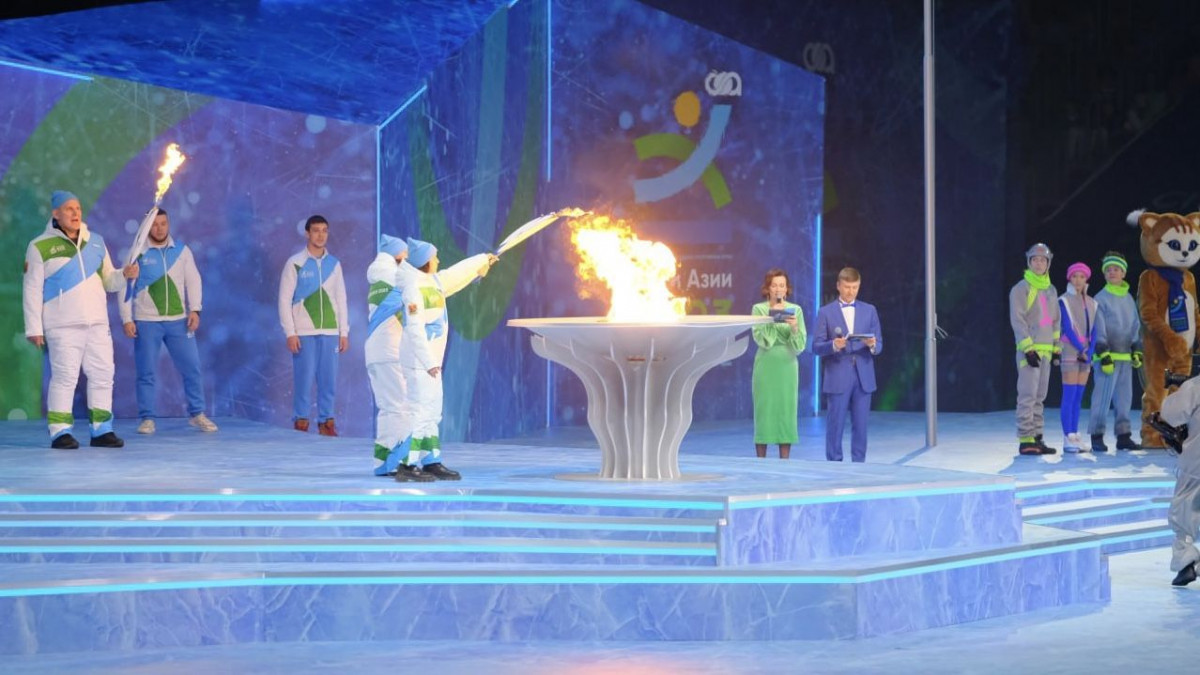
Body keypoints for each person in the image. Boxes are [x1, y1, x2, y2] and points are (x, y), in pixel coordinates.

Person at [22, 190, 134, 449]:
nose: (75, 213)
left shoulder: (96, 242)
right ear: (56, 213)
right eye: (68, 208)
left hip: (97, 322)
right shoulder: (39, 246)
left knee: (103, 374)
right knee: (65, 377)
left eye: (78, 208)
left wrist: (124, 274)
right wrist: (33, 328)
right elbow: (31, 289)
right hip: (62, 324)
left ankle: (102, 430)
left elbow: (110, 281)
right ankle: (60, 432)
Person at [394, 238, 497, 482]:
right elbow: (414, 330)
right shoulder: (413, 289)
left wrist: (482, 261)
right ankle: (407, 464)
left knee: (432, 413)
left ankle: (431, 460)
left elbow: (455, 274)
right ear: (425, 261)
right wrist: (428, 362)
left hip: (432, 362)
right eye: (435, 257)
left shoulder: (433, 282)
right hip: (420, 362)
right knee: (421, 412)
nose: (438, 261)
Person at [119, 208, 218, 435]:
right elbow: (125, 286)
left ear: (169, 224)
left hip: (178, 322)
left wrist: (195, 310)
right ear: (147, 227)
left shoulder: (182, 251)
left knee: (192, 368)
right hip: (146, 322)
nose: (159, 228)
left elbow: (194, 281)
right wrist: (127, 318)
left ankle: (197, 414)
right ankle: (147, 418)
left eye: (163, 223)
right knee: (146, 372)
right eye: (154, 224)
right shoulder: (137, 253)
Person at [278, 215, 349, 436]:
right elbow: (284, 300)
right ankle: (301, 422)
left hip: (330, 332)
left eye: (324, 230)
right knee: (304, 380)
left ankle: (326, 422)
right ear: (307, 233)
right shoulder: (295, 263)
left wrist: (343, 332)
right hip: (304, 333)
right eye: (316, 230)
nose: (321, 235)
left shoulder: (334, 264)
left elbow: (341, 299)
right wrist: (290, 333)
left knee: (329, 380)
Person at [812, 267, 882, 462]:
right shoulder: (825, 312)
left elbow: (879, 345)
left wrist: (872, 345)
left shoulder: (869, 310)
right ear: (838, 286)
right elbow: (816, 347)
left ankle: (858, 465)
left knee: (861, 425)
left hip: (863, 376)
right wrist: (833, 345)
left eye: (855, 287)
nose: (851, 291)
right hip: (838, 374)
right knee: (835, 425)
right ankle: (835, 465)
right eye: (847, 287)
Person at [366, 234, 420, 476]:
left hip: (378, 351)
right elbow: (426, 290)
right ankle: (396, 462)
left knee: (390, 408)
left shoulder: (381, 277)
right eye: (405, 255)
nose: (407, 260)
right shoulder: (392, 277)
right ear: (396, 255)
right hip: (389, 352)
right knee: (400, 407)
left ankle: (383, 462)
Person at [1010, 243, 1061, 456]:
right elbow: (1018, 319)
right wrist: (1027, 348)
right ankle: (1025, 439)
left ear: (1048, 263)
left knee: (1040, 396)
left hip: (1046, 350)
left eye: (1042, 260)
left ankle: (1037, 437)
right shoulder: (1021, 288)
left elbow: (1055, 320)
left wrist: (1057, 348)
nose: (1039, 263)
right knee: (1027, 395)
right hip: (1030, 351)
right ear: (1029, 262)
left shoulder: (1051, 289)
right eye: (1035, 260)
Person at [1088, 251, 1143, 452]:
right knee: (1102, 399)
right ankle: (1096, 435)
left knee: (1124, 399)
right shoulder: (1100, 298)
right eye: (1108, 270)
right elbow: (1098, 327)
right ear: (1104, 274)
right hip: (1107, 358)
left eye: (1116, 269)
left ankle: (1123, 436)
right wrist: (1103, 353)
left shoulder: (1128, 299)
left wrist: (1136, 350)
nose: (1112, 272)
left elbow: (1135, 326)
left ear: (1123, 273)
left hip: (1125, 358)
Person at [750, 268, 807, 459]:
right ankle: (761, 461)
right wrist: (773, 316)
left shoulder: (796, 310)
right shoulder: (758, 309)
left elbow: (800, 345)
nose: (778, 289)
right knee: (764, 410)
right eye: (774, 285)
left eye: (782, 285)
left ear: (787, 289)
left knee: (786, 411)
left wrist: (794, 328)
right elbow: (762, 339)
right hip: (766, 364)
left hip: (787, 366)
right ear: (768, 288)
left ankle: (785, 461)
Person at [1156, 374, 1200, 586]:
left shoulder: (1195, 387)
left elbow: (1170, 414)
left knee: (1184, 510)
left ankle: (1185, 562)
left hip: (1196, 463)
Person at [1058, 262, 1099, 452]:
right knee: (1069, 394)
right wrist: (1081, 348)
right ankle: (1067, 436)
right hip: (1070, 350)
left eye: (1082, 277)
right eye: (1074, 276)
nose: (1078, 280)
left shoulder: (1092, 302)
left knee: (1079, 396)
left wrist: (1090, 351)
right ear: (1069, 278)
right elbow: (1067, 327)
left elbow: (1095, 329)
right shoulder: (1064, 300)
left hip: (1086, 353)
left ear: (1086, 279)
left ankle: (1074, 434)